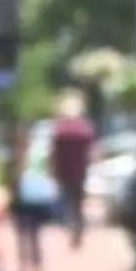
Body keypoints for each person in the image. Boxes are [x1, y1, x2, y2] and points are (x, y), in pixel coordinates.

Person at [47, 91, 97, 247]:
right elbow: (93, 151)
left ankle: (71, 227)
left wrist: (52, 170)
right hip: (81, 171)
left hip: (63, 172)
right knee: (78, 203)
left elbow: (52, 153)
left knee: (67, 202)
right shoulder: (84, 128)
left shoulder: (59, 129)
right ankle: (78, 230)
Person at [10, 121, 56, 271]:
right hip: (33, 195)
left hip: (27, 195)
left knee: (25, 232)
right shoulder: (39, 152)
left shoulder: (20, 154)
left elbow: (17, 175)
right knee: (32, 232)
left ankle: (28, 263)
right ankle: (33, 263)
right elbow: (50, 168)